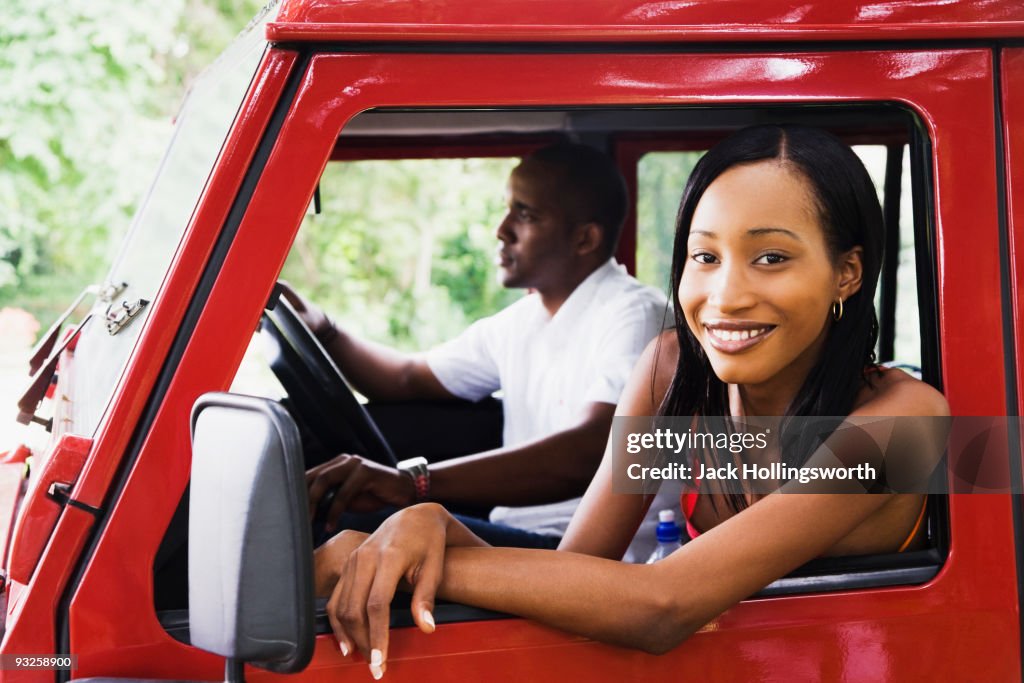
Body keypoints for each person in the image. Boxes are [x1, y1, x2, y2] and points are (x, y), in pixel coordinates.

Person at [312, 124, 950, 678]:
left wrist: (417, 556)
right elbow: (579, 572)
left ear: (847, 272)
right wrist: (431, 524)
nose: (725, 296)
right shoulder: (677, 372)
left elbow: (662, 606)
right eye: (705, 256)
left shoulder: (908, 427)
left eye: (771, 257)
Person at [285, 142, 667, 550]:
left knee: (352, 527)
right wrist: (324, 329)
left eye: (525, 214)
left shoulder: (636, 315)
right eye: (508, 209)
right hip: (526, 534)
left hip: (587, 551)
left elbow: (592, 449)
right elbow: (407, 379)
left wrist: (413, 483)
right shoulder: (525, 320)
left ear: (585, 239)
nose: (502, 230)